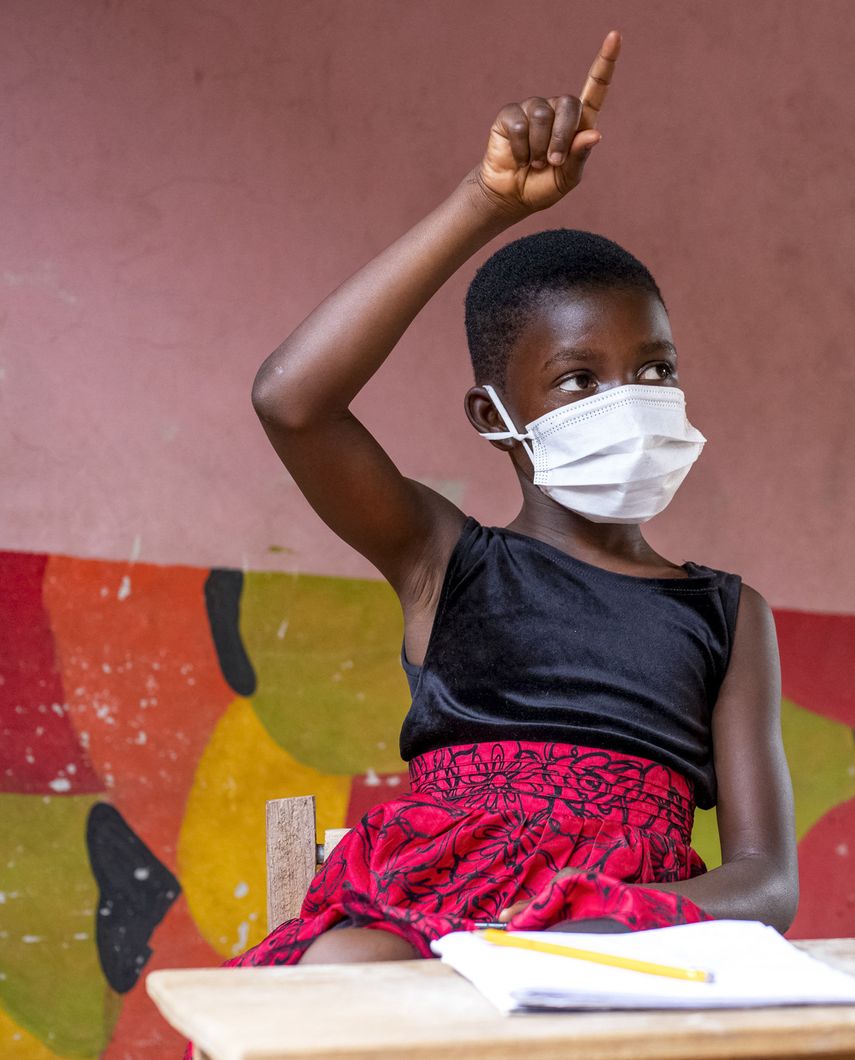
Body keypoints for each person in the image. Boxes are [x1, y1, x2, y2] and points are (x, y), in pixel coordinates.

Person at [234, 30, 797, 967]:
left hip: (624, 941)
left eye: (654, 369)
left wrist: (555, 941)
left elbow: (765, 885)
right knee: (336, 977)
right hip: (428, 928)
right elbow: (290, 401)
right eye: (579, 380)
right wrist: (483, 204)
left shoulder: (730, 617)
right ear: (492, 416)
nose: (628, 398)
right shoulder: (442, 561)